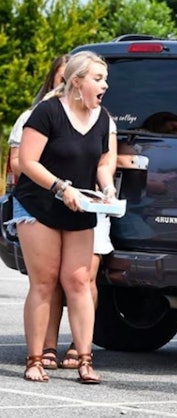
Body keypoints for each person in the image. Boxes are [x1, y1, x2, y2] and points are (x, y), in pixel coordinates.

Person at [9, 50, 117, 383]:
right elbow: (26, 161)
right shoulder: (47, 113)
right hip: (39, 204)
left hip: (80, 206)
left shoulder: (101, 117)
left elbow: (102, 162)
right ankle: (36, 359)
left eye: (105, 79)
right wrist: (61, 189)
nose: (105, 85)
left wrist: (107, 187)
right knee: (44, 282)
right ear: (76, 81)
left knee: (79, 281)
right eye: (98, 79)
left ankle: (85, 359)